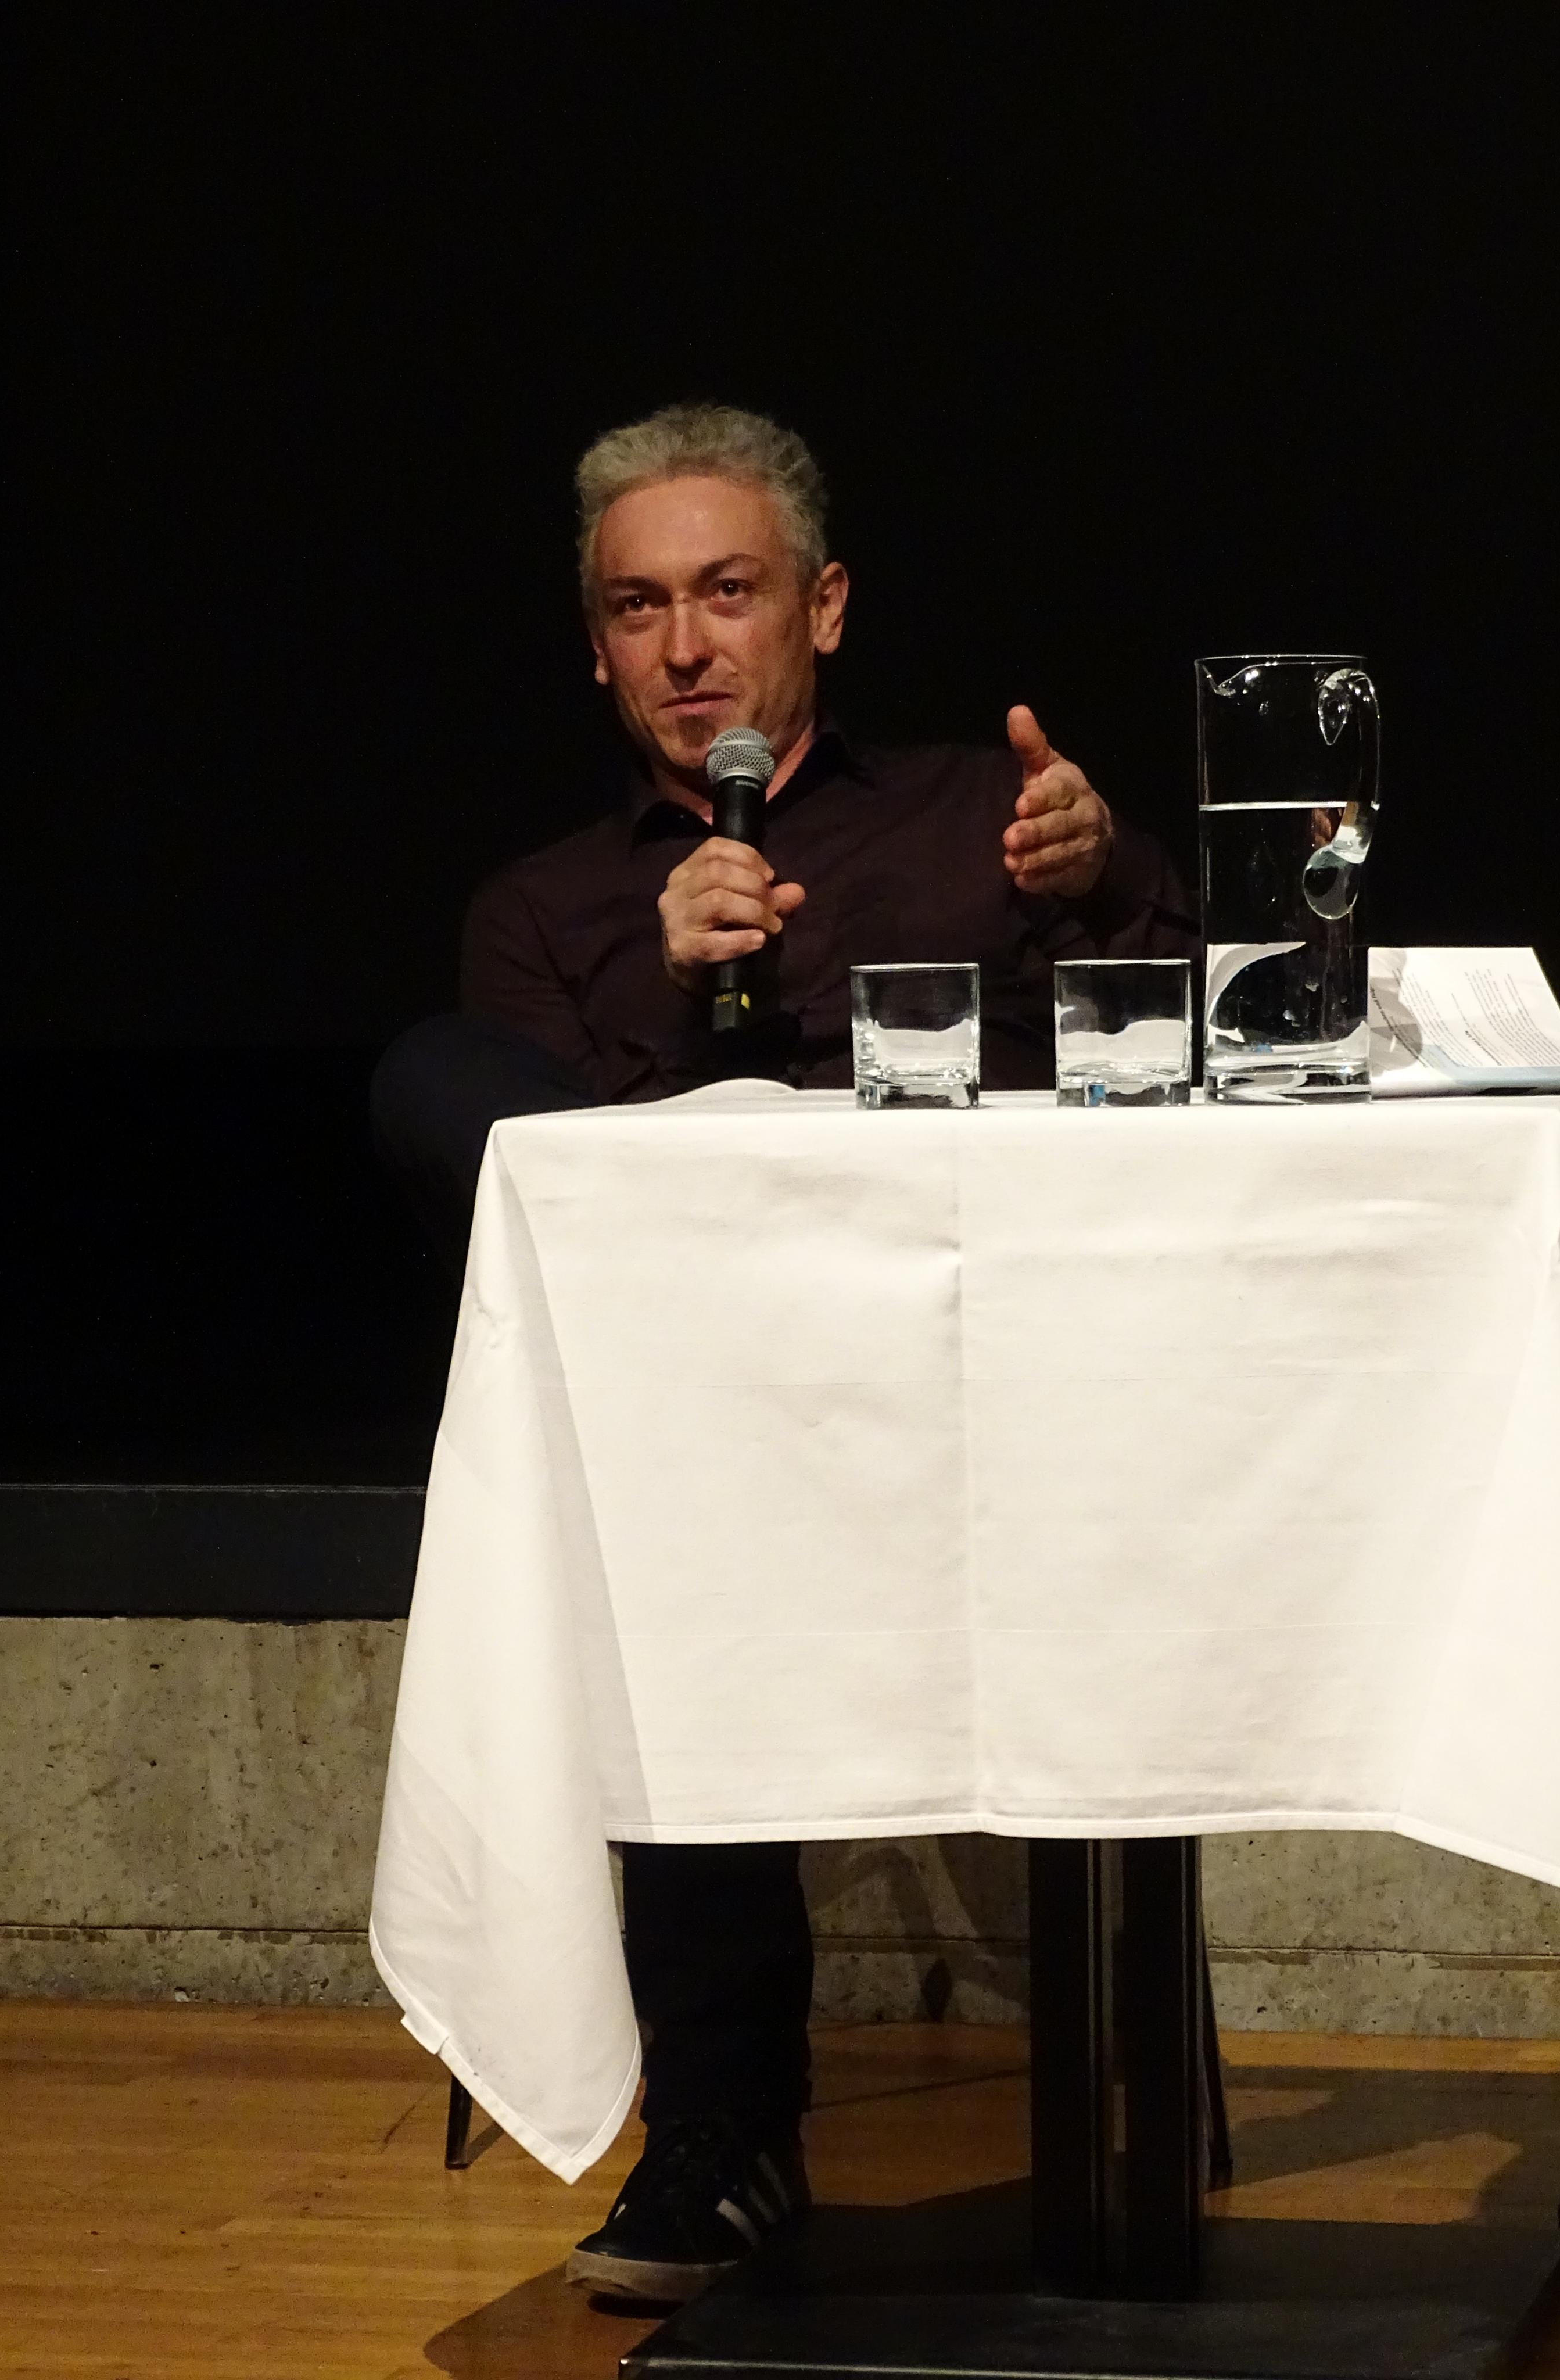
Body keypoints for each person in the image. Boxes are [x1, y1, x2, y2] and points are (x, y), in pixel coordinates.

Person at [371, 403, 1196, 2305]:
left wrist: (1105, 877)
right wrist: (672, 1002)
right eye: (638, 608)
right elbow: (538, 1234)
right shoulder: (548, 913)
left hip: (1001, 1414)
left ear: (821, 609)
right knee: (453, 1120)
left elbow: (1195, 1047)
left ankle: (1126, 2138)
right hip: (711, 1447)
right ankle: (723, 2134)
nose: (686, 648)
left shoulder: (982, 821)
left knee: (686, 1524)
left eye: (728, 593)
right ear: (596, 648)